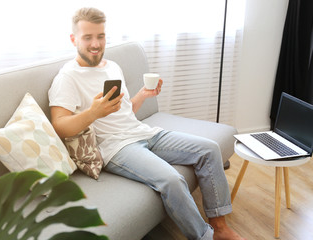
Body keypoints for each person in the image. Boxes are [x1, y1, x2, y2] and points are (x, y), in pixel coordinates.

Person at [48, 7, 246, 240]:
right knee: (172, 179)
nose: (95, 44)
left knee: (209, 149)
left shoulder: (111, 66)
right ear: (74, 39)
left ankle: (220, 227)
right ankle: (204, 236)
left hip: (143, 132)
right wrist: (93, 113)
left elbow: (124, 111)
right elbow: (59, 126)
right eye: (87, 37)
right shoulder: (67, 77)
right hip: (117, 147)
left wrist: (142, 94)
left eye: (100, 36)